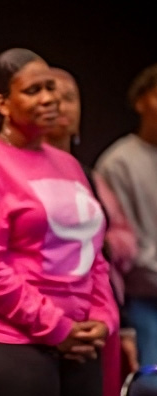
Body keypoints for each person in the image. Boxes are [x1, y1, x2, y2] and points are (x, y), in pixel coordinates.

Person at [0, 48, 119, 396]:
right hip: (1, 337)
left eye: (51, 88)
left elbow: (93, 253)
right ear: (3, 104)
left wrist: (103, 317)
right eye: (33, 91)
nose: (49, 99)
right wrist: (55, 326)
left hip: (77, 336)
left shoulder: (68, 165)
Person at [44, 67, 139, 396]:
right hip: (45, 318)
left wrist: (118, 323)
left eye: (69, 98)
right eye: (48, 96)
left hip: (99, 313)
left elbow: (121, 247)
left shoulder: (89, 176)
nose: (59, 105)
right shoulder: (7, 170)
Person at [96, 63, 157, 369]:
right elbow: (125, 241)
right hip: (143, 298)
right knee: (149, 379)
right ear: (141, 101)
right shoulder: (118, 163)